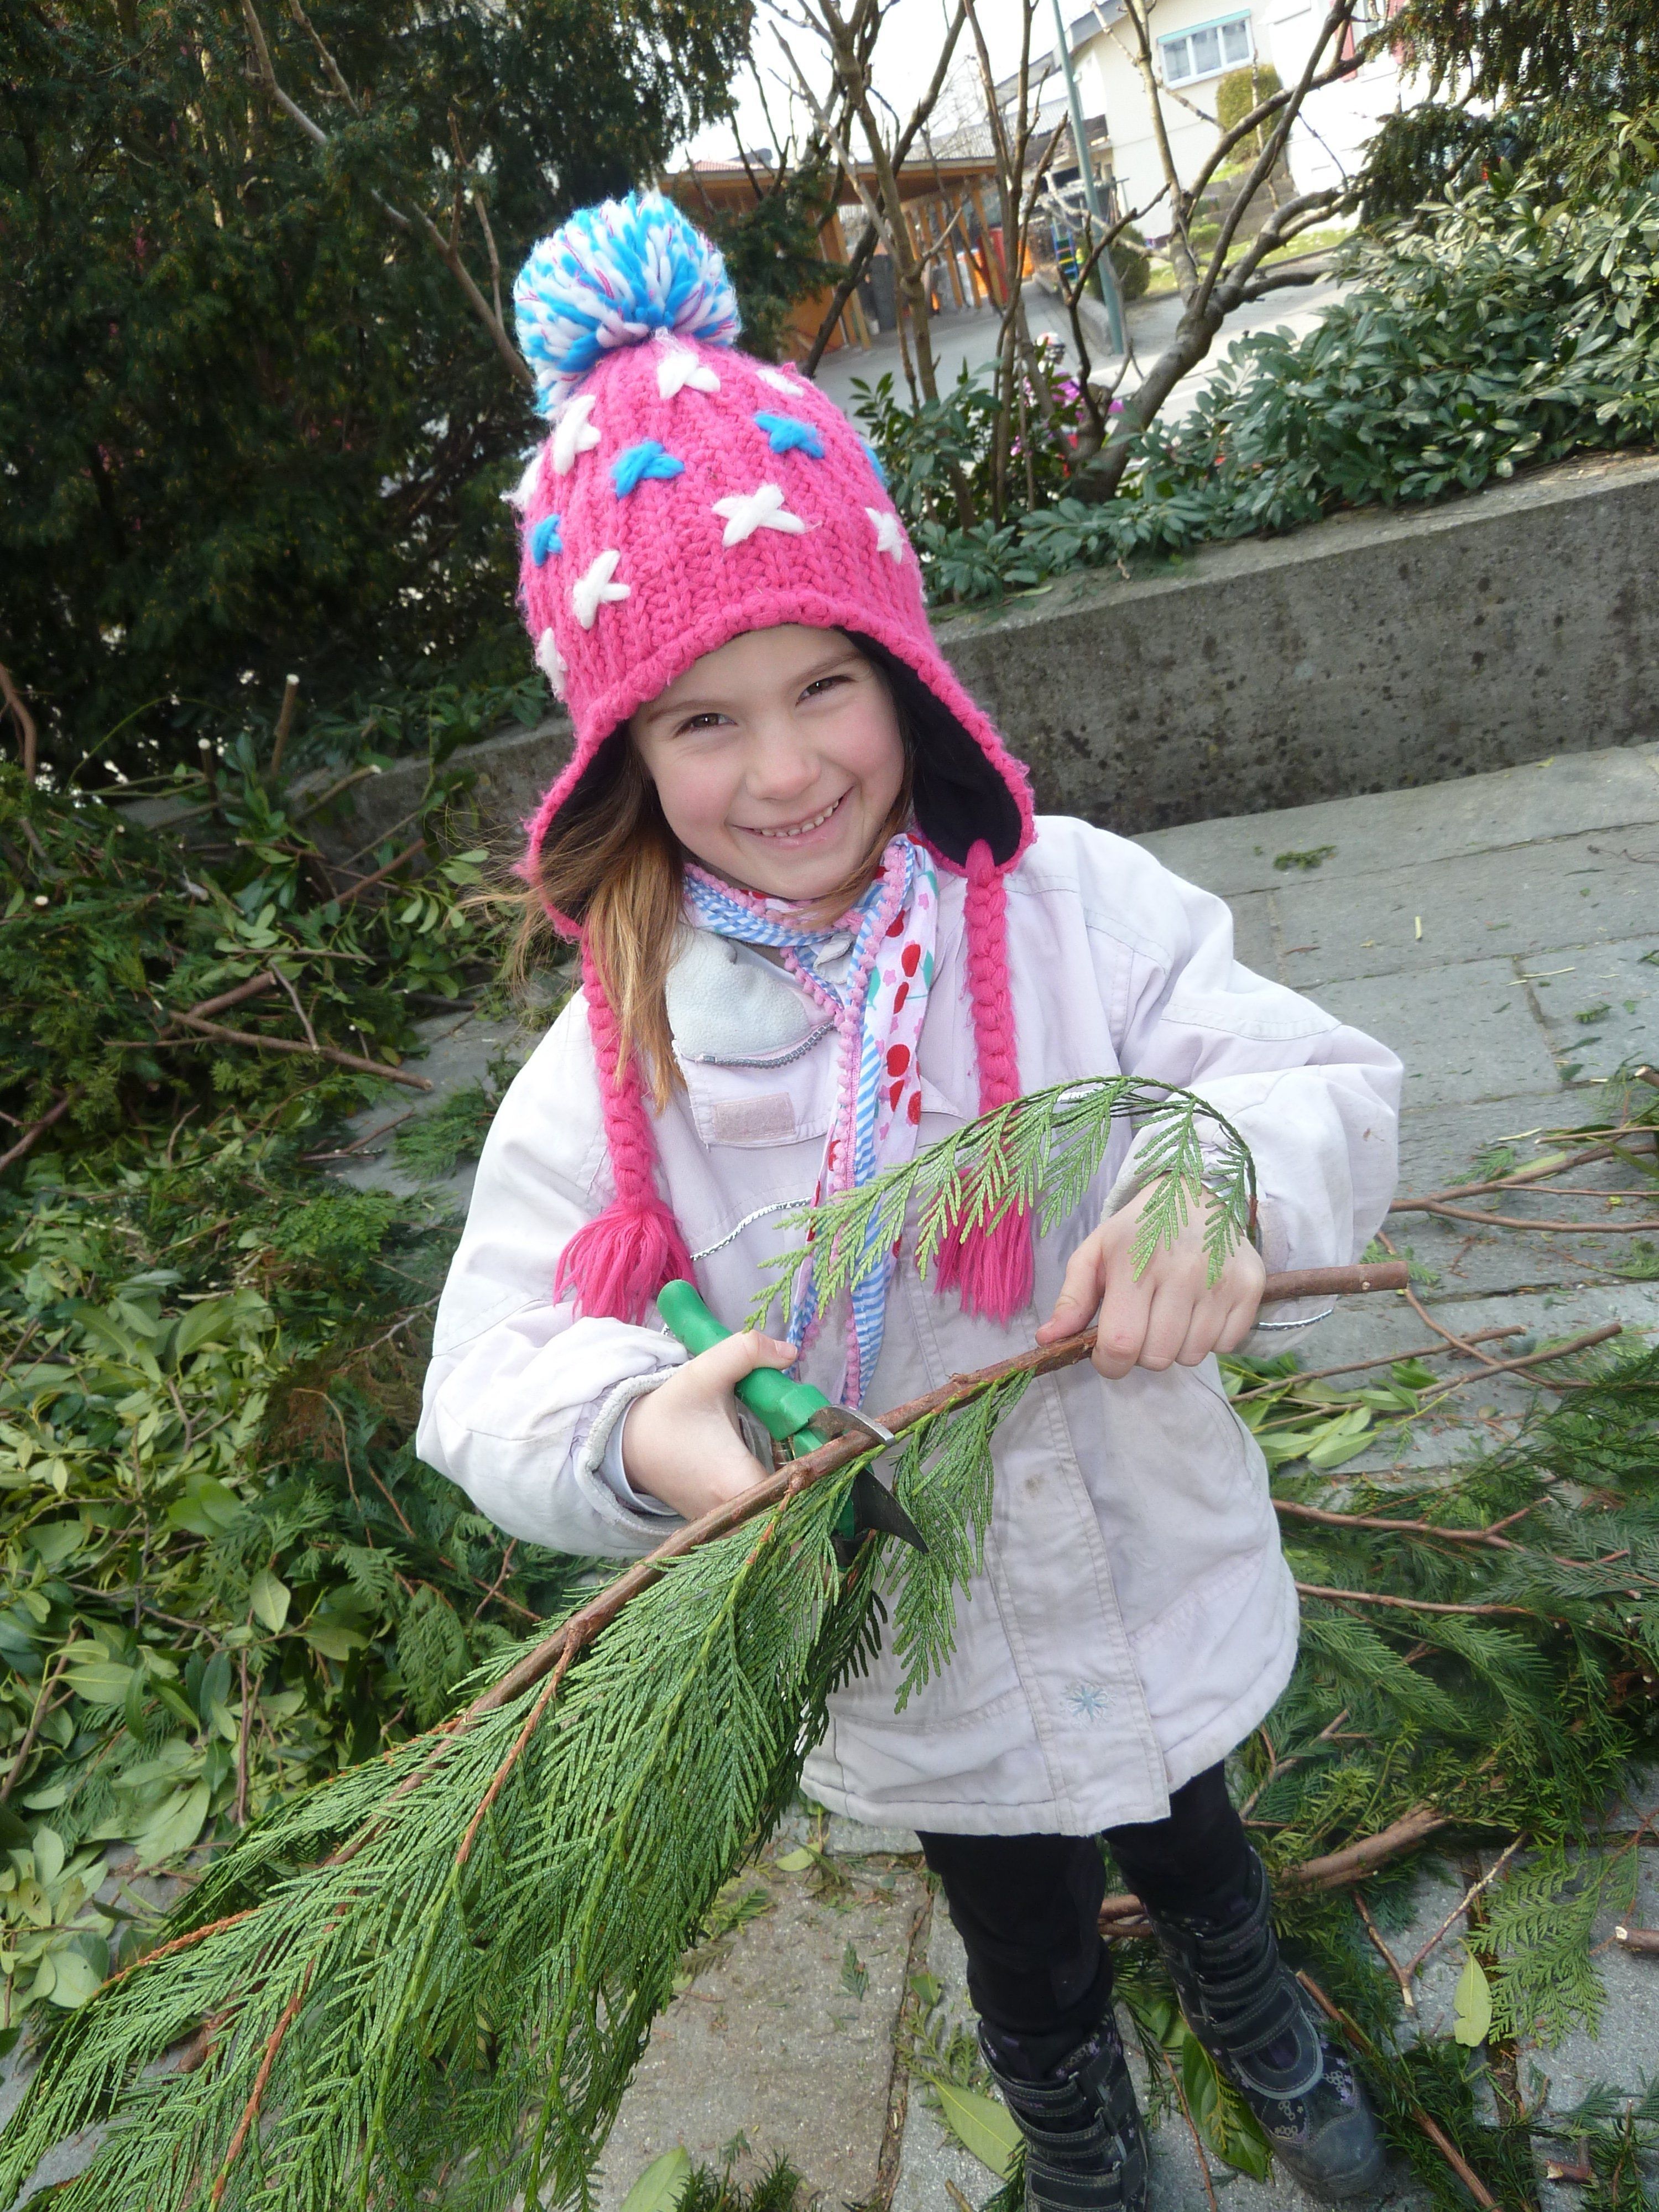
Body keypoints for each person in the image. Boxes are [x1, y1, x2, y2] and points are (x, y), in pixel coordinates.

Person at [418, 191, 1402, 2212]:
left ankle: (1259, 2016)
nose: (786, 772)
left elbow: (1312, 1080)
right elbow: (487, 1367)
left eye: (825, 687)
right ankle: (1074, 2130)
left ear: (905, 669)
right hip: (920, 1659)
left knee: (1200, 1835)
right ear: (620, 751)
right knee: (1018, 1928)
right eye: (704, 720)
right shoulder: (619, 1060)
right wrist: (636, 1428)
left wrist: (1215, 1180)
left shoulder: (1070, 909)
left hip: (1151, 1555)